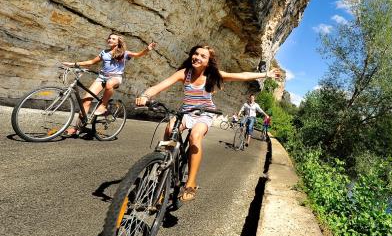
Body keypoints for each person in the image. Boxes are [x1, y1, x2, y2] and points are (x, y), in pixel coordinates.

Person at [135, 45, 279, 201]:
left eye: (203, 56)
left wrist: (266, 74)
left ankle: (190, 183)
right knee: (170, 128)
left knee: (195, 136)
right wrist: (145, 96)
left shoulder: (214, 75)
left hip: (205, 114)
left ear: (209, 61)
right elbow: (158, 87)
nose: (197, 57)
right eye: (195, 54)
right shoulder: (184, 73)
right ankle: (166, 163)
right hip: (186, 112)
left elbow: (241, 75)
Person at [62, 33, 155, 136]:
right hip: (102, 78)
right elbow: (92, 61)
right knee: (86, 101)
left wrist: (147, 49)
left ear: (118, 42)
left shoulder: (124, 53)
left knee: (109, 84)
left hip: (116, 78)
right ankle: (77, 128)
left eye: (113, 39)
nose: (110, 39)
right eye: (109, 38)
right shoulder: (104, 52)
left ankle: (103, 105)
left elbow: (138, 55)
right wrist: (74, 64)